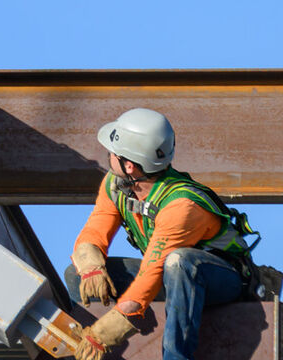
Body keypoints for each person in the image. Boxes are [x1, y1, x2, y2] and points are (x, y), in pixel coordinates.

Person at [65, 109, 258, 360]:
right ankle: (85, 351)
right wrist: (90, 266)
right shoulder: (116, 185)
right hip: (169, 277)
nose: (108, 156)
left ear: (129, 165)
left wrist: (106, 332)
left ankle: (176, 356)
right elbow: (96, 227)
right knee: (78, 275)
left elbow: (152, 272)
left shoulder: (182, 205)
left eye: (113, 152)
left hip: (220, 280)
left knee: (180, 262)